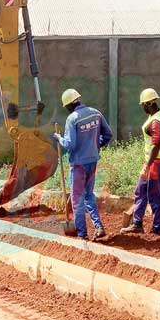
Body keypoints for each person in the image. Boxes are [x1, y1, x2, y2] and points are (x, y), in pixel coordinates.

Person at [53, 88, 113, 241]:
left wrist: (58, 138)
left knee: (77, 200)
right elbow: (108, 134)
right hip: (92, 161)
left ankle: (82, 234)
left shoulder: (72, 119)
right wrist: (96, 145)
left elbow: (70, 144)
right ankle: (98, 226)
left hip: (78, 165)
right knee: (89, 195)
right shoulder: (95, 113)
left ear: (68, 105)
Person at [121, 88, 160, 236]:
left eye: (143, 105)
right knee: (141, 191)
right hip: (155, 161)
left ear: (147, 104)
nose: (142, 107)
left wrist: (147, 166)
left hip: (156, 163)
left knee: (155, 195)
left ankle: (158, 228)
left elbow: (156, 144)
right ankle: (137, 224)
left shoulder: (155, 121)